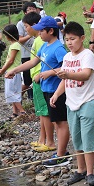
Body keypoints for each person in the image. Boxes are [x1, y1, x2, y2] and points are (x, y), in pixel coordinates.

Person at [6, 16, 70, 167]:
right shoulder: (45, 46)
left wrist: (49, 73)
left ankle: (62, 154)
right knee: (56, 122)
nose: (39, 33)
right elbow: (32, 62)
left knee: (61, 122)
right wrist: (14, 70)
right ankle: (61, 151)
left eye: (42, 30)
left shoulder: (58, 47)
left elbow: (67, 67)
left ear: (51, 31)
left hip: (57, 91)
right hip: (47, 89)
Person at [50, 21, 94, 186]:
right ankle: (81, 170)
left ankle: (91, 172)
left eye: (73, 39)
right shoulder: (66, 57)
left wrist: (69, 74)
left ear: (82, 38)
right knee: (77, 138)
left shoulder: (87, 55)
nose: (70, 42)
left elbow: (86, 74)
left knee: (88, 137)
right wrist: (57, 94)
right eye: (67, 39)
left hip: (87, 101)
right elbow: (64, 81)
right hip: (71, 104)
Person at [22, 11, 55, 152]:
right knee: (41, 112)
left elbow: (45, 62)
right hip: (38, 79)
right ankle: (43, 139)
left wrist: (40, 75)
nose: (25, 29)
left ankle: (49, 141)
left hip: (41, 79)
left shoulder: (41, 40)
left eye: (26, 26)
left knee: (44, 111)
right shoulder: (37, 41)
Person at [0, 24, 26, 119]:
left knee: (11, 93)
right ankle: (15, 112)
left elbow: (11, 61)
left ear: (9, 35)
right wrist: (3, 69)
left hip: (12, 72)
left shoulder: (15, 45)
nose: (5, 37)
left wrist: (3, 70)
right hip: (10, 71)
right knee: (13, 92)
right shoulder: (14, 44)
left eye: (6, 35)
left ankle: (22, 112)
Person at [18, 2, 37, 100]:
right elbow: (19, 40)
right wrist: (31, 34)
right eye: (29, 9)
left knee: (36, 78)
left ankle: (33, 98)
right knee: (27, 81)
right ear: (25, 12)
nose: (32, 10)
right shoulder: (20, 24)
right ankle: (17, 99)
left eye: (34, 8)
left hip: (37, 54)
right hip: (26, 54)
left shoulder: (39, 21)